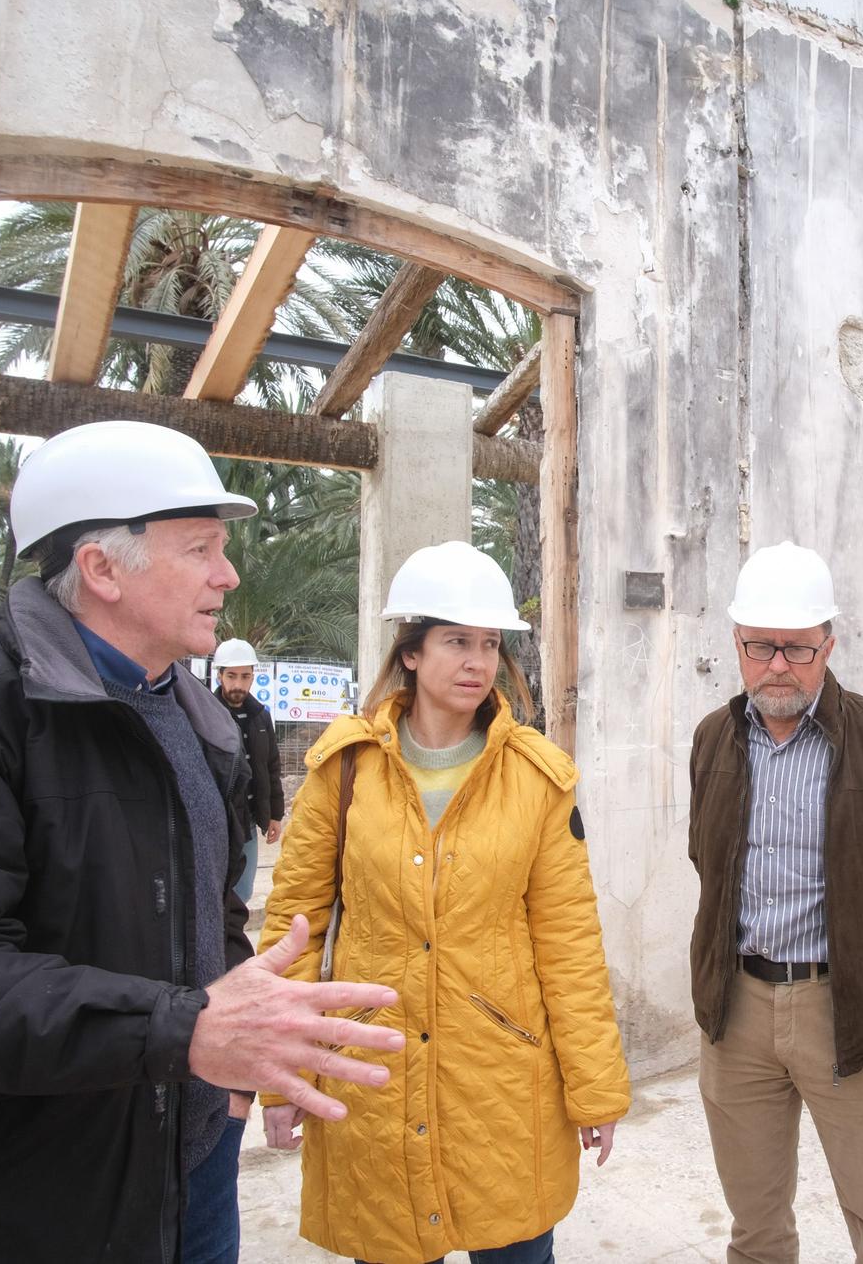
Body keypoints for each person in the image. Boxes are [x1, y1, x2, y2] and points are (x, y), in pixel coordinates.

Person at [0, 420, 403, 1264]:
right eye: (201, 548)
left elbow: (209, 915)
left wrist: (229, 1078)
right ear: (100, 569)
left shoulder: (198, 727)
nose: (227, 575)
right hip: (15, 1202)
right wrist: (186, 1030)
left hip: (190, 1167)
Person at [258, 539, 629, 1264]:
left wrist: (595, 1091)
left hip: (500, 1083)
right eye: (456, 641)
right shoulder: (344, 770)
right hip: (373, 1066)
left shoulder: (537, 779)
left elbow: (569, 944)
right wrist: (284, 1079)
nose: (477, 662)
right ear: (411, 654)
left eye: (489, 644)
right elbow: (293, 930)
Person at [688, 541, 863, 1264]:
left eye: (798, 649)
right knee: (755, 1232)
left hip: (847, 1012)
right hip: (735, 1011)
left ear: (828, 645)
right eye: (761, 646)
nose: (778, 664)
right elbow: (704, 860)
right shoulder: (713, 739)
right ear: (737, 645)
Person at [213, 637, 284, 904]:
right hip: (220, 825)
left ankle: (234, 945)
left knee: (242, 895)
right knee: (217, 894)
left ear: (253, 677)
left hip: (249, 827)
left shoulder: (260, 717)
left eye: (245, 676)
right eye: (231, 676)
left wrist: (274, 815)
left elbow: (271, 767)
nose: (238, 685)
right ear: (219, 676)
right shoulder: (206, 715)